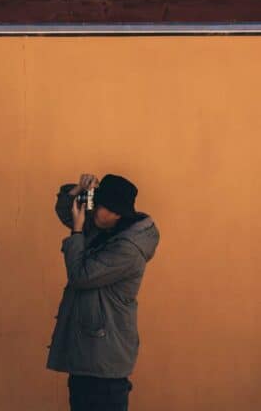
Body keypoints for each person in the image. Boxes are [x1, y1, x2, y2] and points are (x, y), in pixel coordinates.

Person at [47, 173, 159, 411]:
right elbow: (66, 211)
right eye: (96, 204)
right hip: (87, 354)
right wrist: (78, 190)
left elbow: (81, 275)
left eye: (103, 207)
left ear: (118, 213)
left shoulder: (127, 249)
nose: (96, 211)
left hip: (104, 361)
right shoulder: (104, 228)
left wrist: (77, 233)